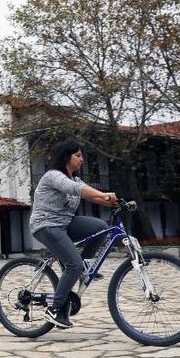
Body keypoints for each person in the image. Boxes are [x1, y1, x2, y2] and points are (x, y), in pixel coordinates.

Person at [29, 140, 118, 329]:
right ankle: (54, 310)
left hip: (65, 224)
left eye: (81, 156)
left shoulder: (76, 179)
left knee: (101, 227)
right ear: (65, 157)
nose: (81, 159)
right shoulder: (53, 176)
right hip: (46, 225)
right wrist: (104, 195)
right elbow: (76, 190)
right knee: (73, 265)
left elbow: (89, 194)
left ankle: (82, 263)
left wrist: (115, 202)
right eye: (77, 155)